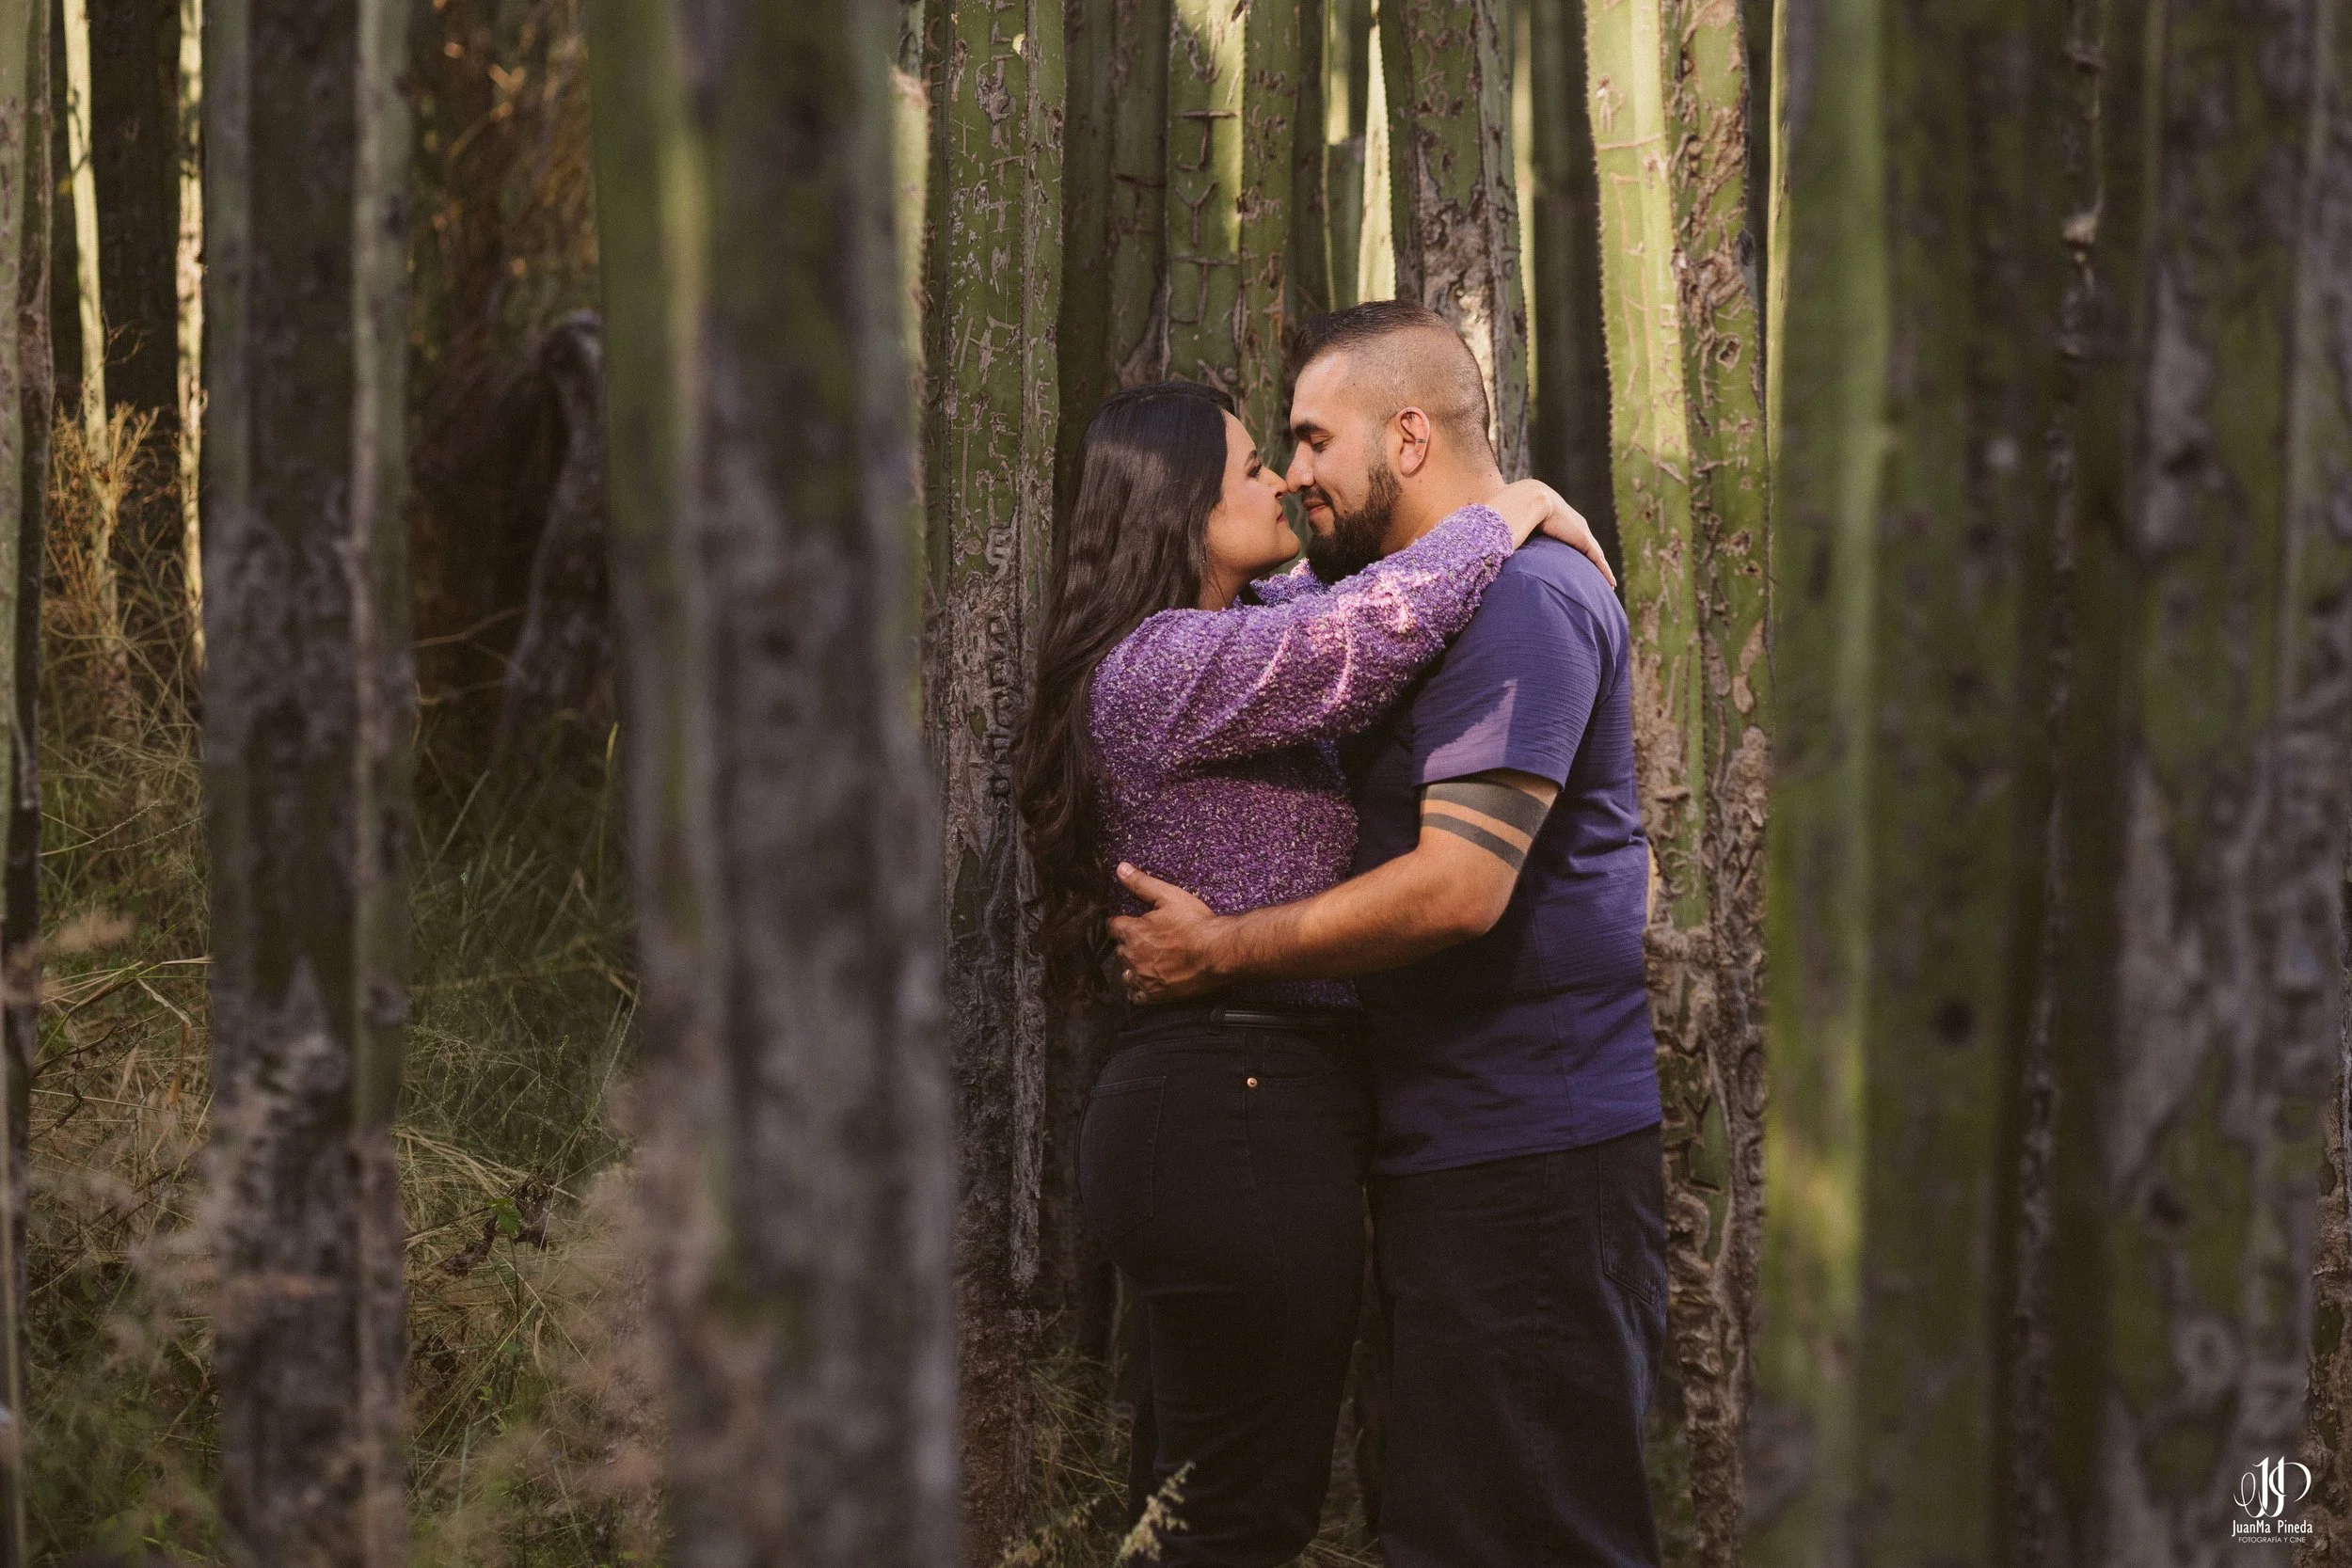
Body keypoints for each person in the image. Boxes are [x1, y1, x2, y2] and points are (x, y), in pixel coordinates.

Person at [1010, 376, 1607, 1567]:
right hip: (1240, 1102)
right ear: (1175, 509)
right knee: (1241, 1514)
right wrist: (1512, 504)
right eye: (1248, 469)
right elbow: (1364, 629)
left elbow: (1317, 593)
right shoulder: (1163, 663)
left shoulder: (1211, 636)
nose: (1281, 479)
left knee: (1185, 1506)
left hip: (1217, 1108)